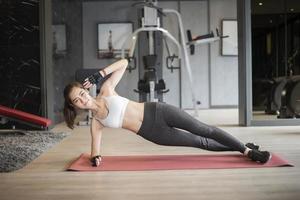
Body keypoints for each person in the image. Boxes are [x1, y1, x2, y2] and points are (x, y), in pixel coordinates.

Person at [63, 59, 271, 167]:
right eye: (77, 100)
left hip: (158, 111)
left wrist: (100, 74)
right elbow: (95, 151)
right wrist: (96, 158)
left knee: (204, 130)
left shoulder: (106, 90)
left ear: (86, 89)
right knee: (199, 142)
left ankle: (247, 151)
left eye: (81, 93)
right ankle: (240, 147)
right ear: (75, 106)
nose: (82, 99)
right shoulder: (96, 123)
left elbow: (124, 63)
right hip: (153, 133)